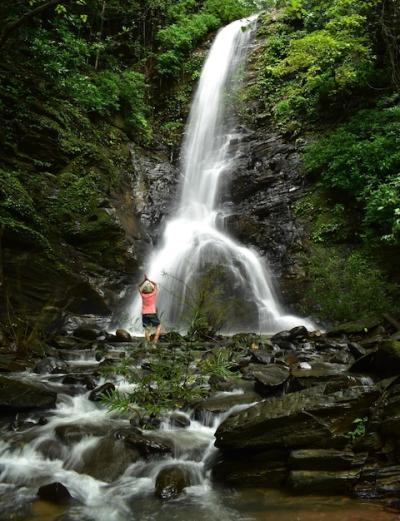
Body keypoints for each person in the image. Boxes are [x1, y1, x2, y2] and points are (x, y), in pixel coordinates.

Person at [138, 274, 161, 343]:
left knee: (146, 329)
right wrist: (149, 280)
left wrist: (144, 281)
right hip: (152, 313)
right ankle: (155, 340)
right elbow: (156, 285)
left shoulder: (143, 295)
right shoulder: (153, 294)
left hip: (144, 313)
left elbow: (139, 287)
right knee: (158, 326)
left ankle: (148, 342)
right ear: (151, 289)